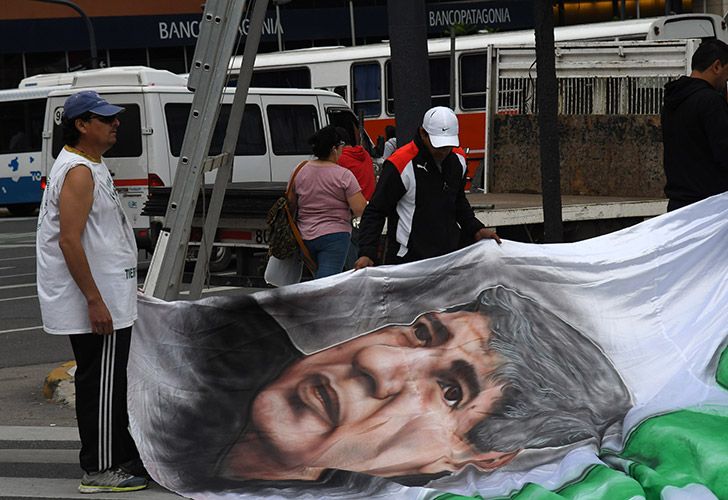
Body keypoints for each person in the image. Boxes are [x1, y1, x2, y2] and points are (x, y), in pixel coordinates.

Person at [128, 285, 631, 494]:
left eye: (450, 391)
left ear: (476, 456)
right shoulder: (206, 347)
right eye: (420, 333)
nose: (376, 362)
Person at [36, 90, 147, 493]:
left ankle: (121, 454)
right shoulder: (78, 171)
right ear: (81, 125)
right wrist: (95, 300)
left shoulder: (92, 165)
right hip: (98, 301)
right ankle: (100, 468)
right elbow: (69, 240)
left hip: (111, 295)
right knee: (100, 382)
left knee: (111, 382)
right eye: (105, 119)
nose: (116, 123)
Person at [355, 107, 500, 269]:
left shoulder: (458, 159)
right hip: (409, 261)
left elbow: (458, 201)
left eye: (448, 146)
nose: (444, 152)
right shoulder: (400, 164)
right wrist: (367, 252)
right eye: (439, 146)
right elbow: (376, 210)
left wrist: (476, 228)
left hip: (448, 258)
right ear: (423, 134)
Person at [289, 125, 367, 279]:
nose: (342, 150)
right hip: (335, 236)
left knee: (315, 280)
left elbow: (292, 202)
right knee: (326, 284)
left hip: (304, 235)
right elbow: (360, 209)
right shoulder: (344, 175)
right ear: (333, 149)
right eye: (341, 147)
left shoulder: (299, 170)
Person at [661, 38, 728, 212]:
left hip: (677, 206)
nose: (726, 80)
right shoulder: (711, 101)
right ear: (717, 66)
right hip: (708, 207)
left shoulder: (672, 100)